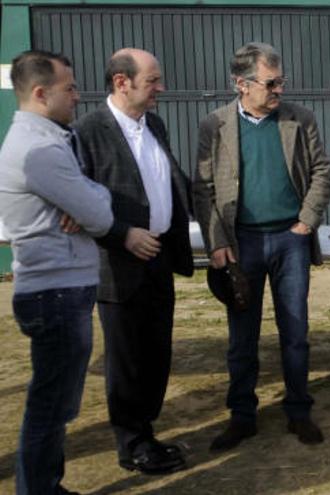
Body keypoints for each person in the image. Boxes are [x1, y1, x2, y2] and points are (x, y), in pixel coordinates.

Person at [193, 42, 330, 451]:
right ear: (241, 84)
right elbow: (202, 189)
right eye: (271, 83)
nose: (278, 91)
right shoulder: (214, 126)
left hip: (290, 241)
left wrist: (305, 223)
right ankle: (242, 415)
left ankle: (298, 411)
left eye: (281, 82)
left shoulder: (299, 120)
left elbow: (322, 172)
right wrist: (216, 241)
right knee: (242, 336)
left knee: (295, 331)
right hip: (242, 245)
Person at [73, 48, 194, 475]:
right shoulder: (88, 131)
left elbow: (170, 182)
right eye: (152, 80)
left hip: (158, 258)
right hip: (118, 267)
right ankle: (133, 444)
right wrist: (123, 234)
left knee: (157, 353)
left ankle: (147, 432)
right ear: (122, 83)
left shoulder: (153, 123)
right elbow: (79, 206)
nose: (160, 87)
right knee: (126, 359)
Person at [0, 50, 113, 495]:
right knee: (51, 405)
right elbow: (100, 215)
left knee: (57, 403)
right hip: (56, 292)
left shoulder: (49, 140)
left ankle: (47, 484)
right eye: (69, 87)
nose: (78, 96)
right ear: (41, 93)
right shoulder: (41, 150)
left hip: (60, 290)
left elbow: (91, 199)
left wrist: (88, 196)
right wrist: (89, 200)